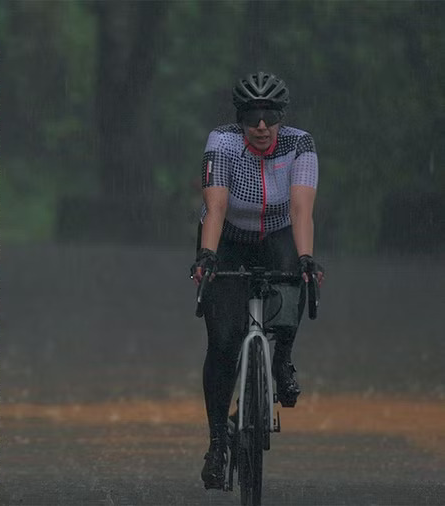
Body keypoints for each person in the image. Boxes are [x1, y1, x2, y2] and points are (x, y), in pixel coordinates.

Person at [190, 72, 325, 489]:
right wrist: (207, 256)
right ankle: (217, 441)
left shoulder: (299, 144)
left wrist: (306, 259)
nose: (261, 126)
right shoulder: (223, 142)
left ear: (281, 118)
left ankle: (281, 357)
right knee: (224, 341)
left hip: (280, 232)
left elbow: (302, 211)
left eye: (269, 116)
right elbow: (215, 207)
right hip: (228, 237)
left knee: (295, 276)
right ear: (240, 120)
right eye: (252, 117)